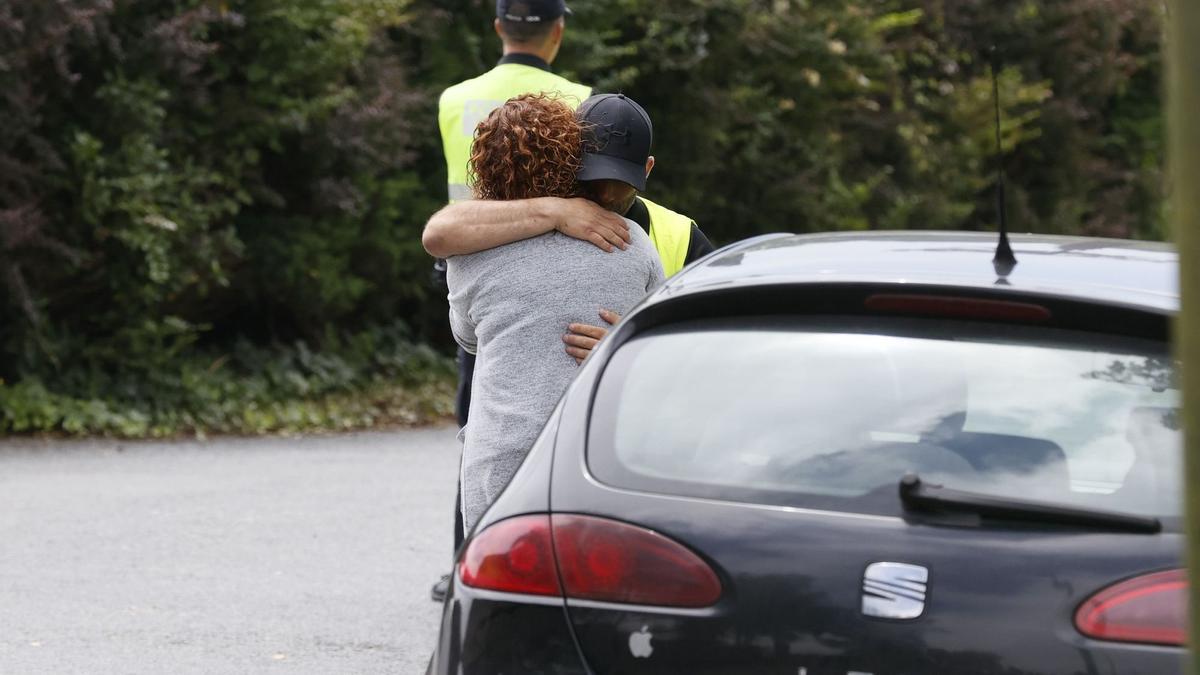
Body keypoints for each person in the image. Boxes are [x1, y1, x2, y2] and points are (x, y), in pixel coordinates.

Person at [430, 0, 591, 601]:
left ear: (498, 27)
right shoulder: (581, 97)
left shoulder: (454, 99)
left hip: (470, 267)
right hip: (553, 267)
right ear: (558, 32)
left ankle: (464, 565)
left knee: (479, 426)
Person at [448, 93, 664, 533]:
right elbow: (672, 346)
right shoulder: (635, 241)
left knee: (497, 592)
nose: (606, 194)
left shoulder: (468, 250)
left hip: (500, 460)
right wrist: (628, 346)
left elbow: (467, 336)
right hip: (597, 459)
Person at [424, 93, 716, 364]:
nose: (607, 196)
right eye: (594, 178)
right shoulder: (537, 217)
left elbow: (719, 340)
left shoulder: (681, 236)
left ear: (647, 169)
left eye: (622, 181)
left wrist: (635, 348)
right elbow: (440, 232)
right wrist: (555, 210)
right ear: (567, 159)